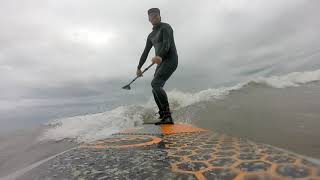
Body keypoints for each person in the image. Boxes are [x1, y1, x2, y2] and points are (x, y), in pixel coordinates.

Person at [136, 8, 178, 125]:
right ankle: (163, 115)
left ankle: (168, 116)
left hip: (170, 59)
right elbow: (145, 52)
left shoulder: (166, 27)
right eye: (151, 16)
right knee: (155, 87)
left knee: (155, 83)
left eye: (156, 15)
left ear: (160, 16)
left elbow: (167, 43)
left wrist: (159, 55)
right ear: (149, 19)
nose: (154, 17)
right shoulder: (151, 36)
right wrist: (139, 68)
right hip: (160, 62)